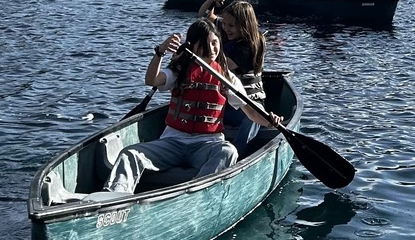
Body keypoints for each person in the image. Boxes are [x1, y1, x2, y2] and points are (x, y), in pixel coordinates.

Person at [103, 18, 281, 194]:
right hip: (172, 141)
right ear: (193, 46)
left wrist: (269, 121)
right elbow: (152, 80)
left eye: (215, 43)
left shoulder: (226, 77)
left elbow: (250, 111)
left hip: (208, 144)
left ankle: (195, 195)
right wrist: (160, 52)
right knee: (130, 154)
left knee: (228, 152)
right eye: (205, 44)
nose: (212, 49)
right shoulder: (179, 71)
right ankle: (115, 197)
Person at [197, 0, 267, 149]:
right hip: (229, 104)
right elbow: (203, 16)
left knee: (251, 118)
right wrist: (212, 0)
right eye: (224, 24)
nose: (226, 28)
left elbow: (224, 66)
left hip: (249, 104)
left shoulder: (248, 46)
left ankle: (239, 150)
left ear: (244, 26)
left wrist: (202, 55)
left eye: (231, 26)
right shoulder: (227, 28)